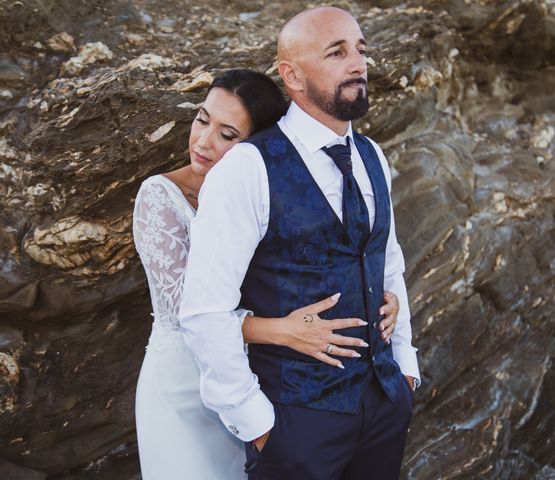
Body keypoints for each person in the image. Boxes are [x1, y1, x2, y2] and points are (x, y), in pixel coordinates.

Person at [179, 7, 420, 480]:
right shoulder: (248, 168)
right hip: (295, 424)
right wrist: (259, 426)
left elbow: (388, 263)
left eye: (361, 50)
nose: (358, 64)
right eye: (337, 52)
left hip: (385, 403)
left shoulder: (373, 155)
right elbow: (203, 311)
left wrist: (406, 368)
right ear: (292, 74)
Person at [132, 69, 401, 479]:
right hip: (183, 390)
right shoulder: (161, 197)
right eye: (202, 120)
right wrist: (282, 331)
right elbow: (188, 314)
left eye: (228, 134)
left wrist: (378, 299)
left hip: (260, 382)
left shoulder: (264, 188)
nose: (203, 142)